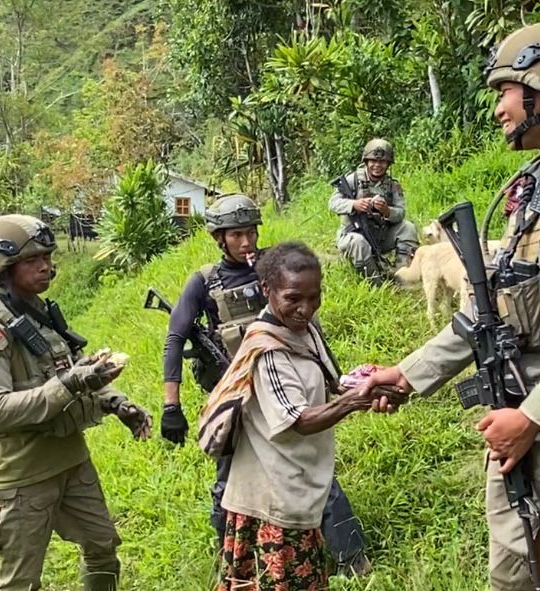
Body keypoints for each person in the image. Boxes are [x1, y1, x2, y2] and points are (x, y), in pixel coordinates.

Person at [360, 22, 540, 591]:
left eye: (505, 91)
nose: (498, 108)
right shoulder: (534, 186)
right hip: (521, 419)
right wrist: (407, 375)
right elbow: (501, 308)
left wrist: (534, 416)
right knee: (514, 573)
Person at [161, 194, 370, 574]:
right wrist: (171, 406)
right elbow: (175, 338)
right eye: (236, 234)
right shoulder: (205, 281)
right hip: (241, 400)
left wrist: (335, 380)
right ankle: (234, 557)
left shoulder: (276, 270)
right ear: (219, 238)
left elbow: (310, 330)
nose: (246, 242)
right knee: (232, 481)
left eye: (251, 232)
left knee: (308, 467)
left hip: (286, 388)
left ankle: (350, 558)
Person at [0, 214, 152, 591]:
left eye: (47, 256)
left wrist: (116, 402)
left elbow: (69, 371)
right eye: (33, 260)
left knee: (102, 547)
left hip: (69, 459)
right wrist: (70, 382)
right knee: (21, 581)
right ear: (2, 267)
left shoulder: (37, 312)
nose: (46, 266)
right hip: (19, 475)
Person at [214, 242, 384, 591]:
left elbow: (329, 382)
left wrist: (364, 383)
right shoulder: (267, 350)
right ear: (267, 291)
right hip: (271, 503)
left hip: (299, 486)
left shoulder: (303, 331)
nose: (305, 308)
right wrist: (355, 402)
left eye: (314, 297)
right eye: (293, 298)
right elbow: (299, 420)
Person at [329, 138, 419, 285]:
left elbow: (401, 212)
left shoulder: (392, 186)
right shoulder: (352, 180)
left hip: (379, 236)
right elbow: (333, 203)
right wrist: (354, 204)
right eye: (373, 161)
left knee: (408, 228)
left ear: (388, 164)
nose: (377, 165)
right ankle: (375, 284)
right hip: (353, 236)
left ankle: (403, 277)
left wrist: (386, 211)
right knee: (358, 242)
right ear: (366, 161)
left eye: (382, 162)